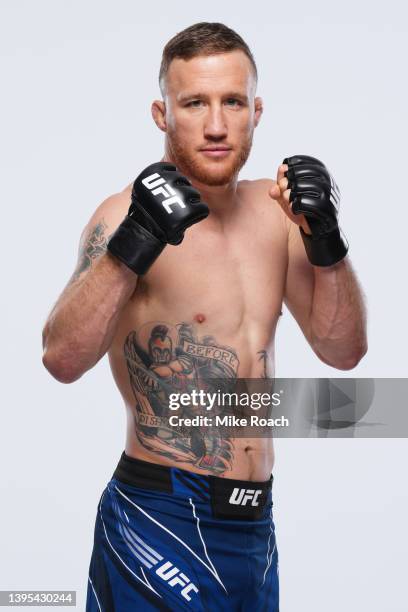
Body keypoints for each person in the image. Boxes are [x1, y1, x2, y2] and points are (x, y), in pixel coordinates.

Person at [42, 21, 367, 611]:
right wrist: (133, 243)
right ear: (162, 114)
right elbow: (61, 359)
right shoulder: (121, 215)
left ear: (256, 110)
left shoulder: (277, 217)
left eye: (232, 102)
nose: (216, 125)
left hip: (255, 530)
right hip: (158, 516)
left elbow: (343, 351)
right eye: (194, 103)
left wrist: (328, 244)